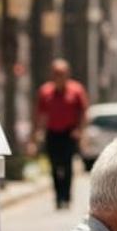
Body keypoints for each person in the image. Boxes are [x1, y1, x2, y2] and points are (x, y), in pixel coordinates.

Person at [32, 59, 90, 210]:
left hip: (69, 134)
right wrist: (36, 134)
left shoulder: (76, 90)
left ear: (67, 74)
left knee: (67, 165)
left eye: (62, 74)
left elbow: (83, 113)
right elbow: (39, 114)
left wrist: (80, 131)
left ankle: (66, 197)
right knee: (54, 166)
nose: (59, 77)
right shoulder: (45, 91)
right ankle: (57, 197)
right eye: (56, 74)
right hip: (52, 134)